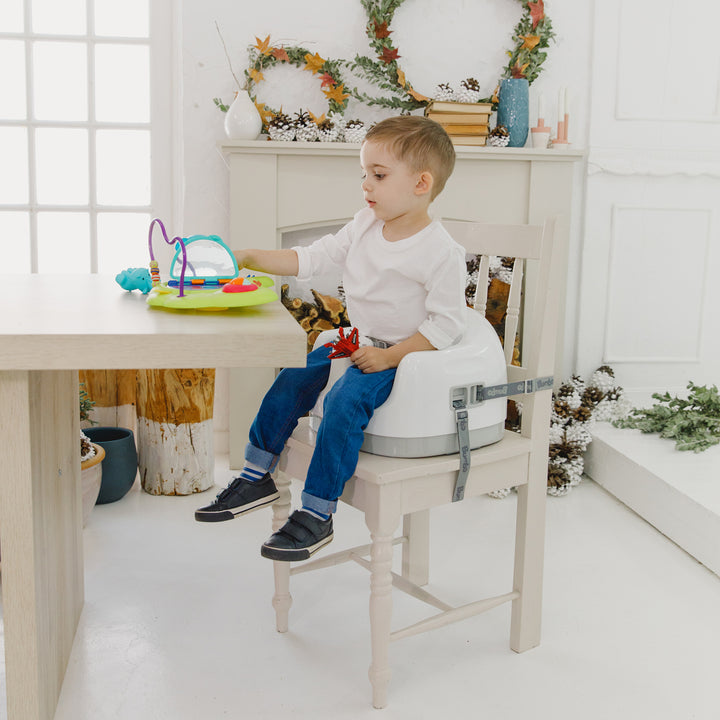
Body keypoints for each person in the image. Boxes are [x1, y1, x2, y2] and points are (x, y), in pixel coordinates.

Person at [195, 115, 467, 562]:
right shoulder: (364, 225)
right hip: (356, 339)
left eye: (378, 176)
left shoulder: (440, 252)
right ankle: (256, 474)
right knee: (292, 378)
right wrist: (245, 255)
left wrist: (391, 356)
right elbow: (310, 258)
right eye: (364, 174)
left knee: (344, 402)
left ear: (421, 183)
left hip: (402, 354)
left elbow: (446, 325)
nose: (366, 185)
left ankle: (318, 513)